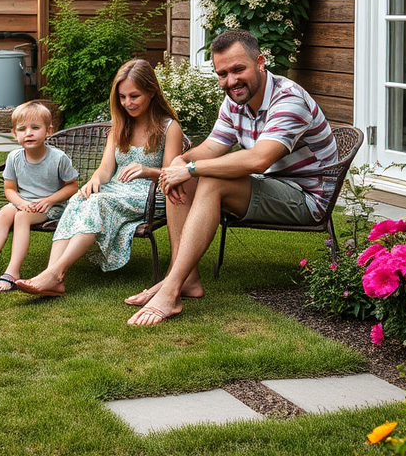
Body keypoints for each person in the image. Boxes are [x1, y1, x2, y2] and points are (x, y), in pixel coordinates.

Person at [127, 29, 338, 326]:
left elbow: (258, 158)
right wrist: (181, 161)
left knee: (210, 179)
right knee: (182, 177)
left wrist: (189, 169)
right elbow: (212, 147)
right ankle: (188, 281)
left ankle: (170, 288)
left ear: (260, 62)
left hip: (307, 198)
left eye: (238, 69)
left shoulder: (288, 100)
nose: (231, 81)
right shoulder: (235, 100)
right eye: (222, 73)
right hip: (273, 186)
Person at [15, 59, 184, 297]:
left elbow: (171, 174)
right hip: (117, 190)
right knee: (79, 199)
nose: (128, 103)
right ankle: (52, 275)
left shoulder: (169, 128)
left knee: (97, 202)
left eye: (134, 96)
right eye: (122, 97)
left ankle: (57, 273)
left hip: (149, 194)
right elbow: (106, 169)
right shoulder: (119, 126)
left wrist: (147, 171)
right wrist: (95, 179)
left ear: (151, 91)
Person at [0, 101, 79, 292]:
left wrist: (49, 200)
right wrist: (22, 202)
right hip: (24, 203)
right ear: (14, 134)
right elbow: (9, 189)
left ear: (48, 131)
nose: (29, 133)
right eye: (22, 129)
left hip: (52, 207)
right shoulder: (14, 158)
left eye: (35, 127)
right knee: (4, 214)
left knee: (21, 216)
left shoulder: (58, 158)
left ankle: (12, 272)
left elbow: (73, 187)